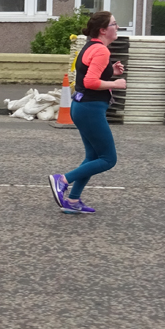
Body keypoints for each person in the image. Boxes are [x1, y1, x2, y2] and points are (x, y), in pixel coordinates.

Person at [48, 11, 126, 214]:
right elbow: (90, 82)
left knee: (92, 157)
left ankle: (73, 200)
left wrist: (111, 72)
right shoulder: (101, 51)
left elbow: (87, 74)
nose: (117, 27)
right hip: (90, 109)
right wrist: (116, 83)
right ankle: (62, 180)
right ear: (103, 30)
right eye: (114, 24)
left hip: (82, 107)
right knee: (108, 159)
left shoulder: (90, 46)